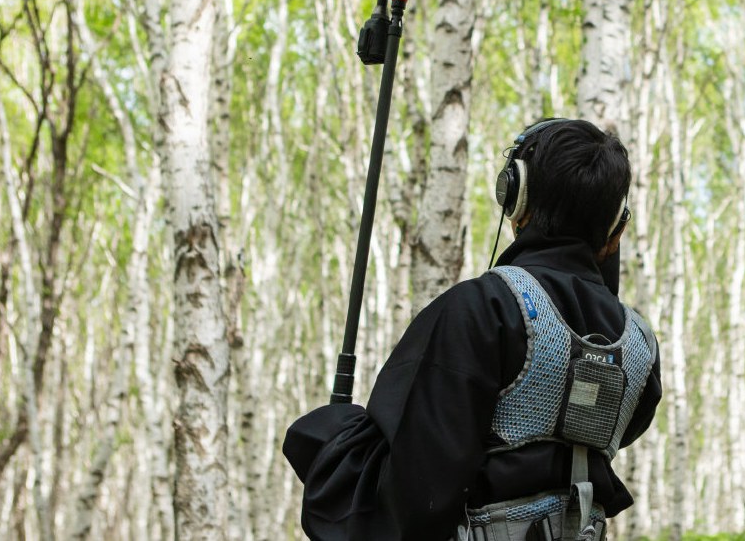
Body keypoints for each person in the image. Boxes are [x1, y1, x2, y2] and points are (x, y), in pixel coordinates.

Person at [283, 118, 662, 540]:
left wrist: (328, 439)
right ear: (617, 229)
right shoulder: (639, 344)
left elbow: (416, 490)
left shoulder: (484, 309)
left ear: (515, 200)